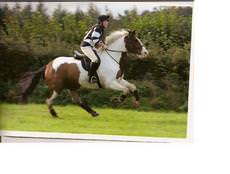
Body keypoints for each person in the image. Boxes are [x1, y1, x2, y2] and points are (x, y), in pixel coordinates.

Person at [80, 14, 110, 83]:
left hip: (91, 47)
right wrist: (103, 46)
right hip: (86, 46)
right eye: (106, 21)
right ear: (101, 22)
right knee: (95, 59)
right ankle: (91, 77)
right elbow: (95, 40)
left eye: (107, 21)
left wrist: (103, 45)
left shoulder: (100, 29)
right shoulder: (98, 28)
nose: (107, 22)